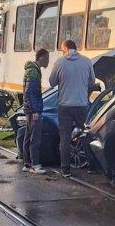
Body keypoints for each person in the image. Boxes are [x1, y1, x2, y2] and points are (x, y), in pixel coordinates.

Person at [49, 40, 96, 177]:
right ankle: (92, 165)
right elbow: (91, 82)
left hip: (64, 105)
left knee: (64, 137)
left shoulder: (59, 62)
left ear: (65, 48)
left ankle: (66, 168)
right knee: (85, 134)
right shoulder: (87, 61)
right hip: (82, 104)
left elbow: (52, 83)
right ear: (76, 48)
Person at [22, 49, 49, 174]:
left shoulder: (32, 70)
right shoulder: (33, 72)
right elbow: (30, 92)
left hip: (29, 109)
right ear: (41, 58)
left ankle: (27, 163)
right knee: (35, 137)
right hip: (33, 109)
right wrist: (35, 111)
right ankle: (35, 164)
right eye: (47, 58)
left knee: (28, 136)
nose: (48, 61)